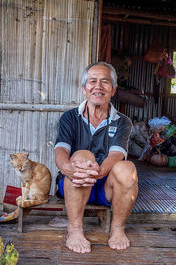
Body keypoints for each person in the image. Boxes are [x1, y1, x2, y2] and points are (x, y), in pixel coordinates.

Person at [54, 62, 138, 253]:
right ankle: (74, 229)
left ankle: (117, 228)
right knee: (83, 155)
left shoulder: (122, 122)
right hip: (74, 183)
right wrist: (69, 168)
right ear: (84, 89)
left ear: (113, 90)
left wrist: (97, 172)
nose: (98, 86)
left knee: (127, 169)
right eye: (92, 81)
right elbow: (60, 151)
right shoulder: (70, 117)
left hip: (104, 187)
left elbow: (116, 154)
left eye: (105, 82)